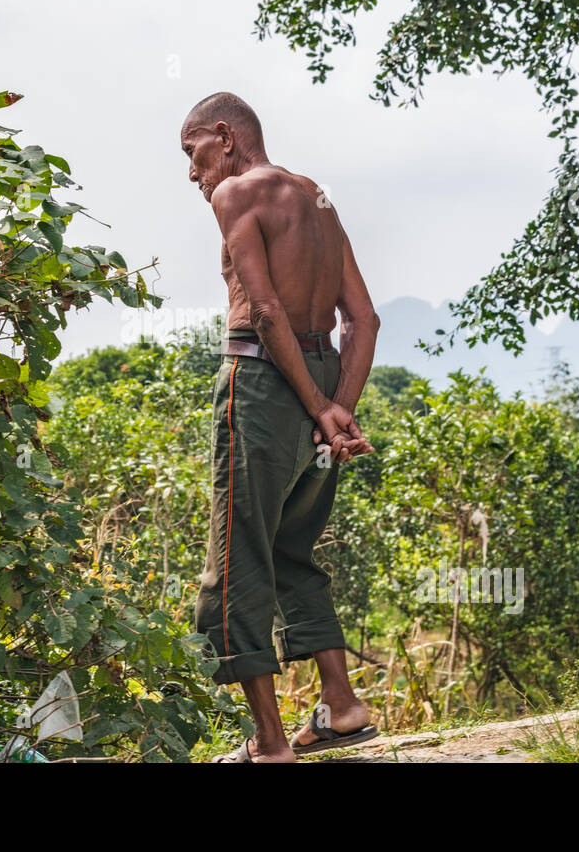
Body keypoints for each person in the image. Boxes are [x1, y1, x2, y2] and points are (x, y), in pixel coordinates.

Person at [179, 92, 382, 763]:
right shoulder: (315, 196)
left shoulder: (238, 192)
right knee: (293, 549)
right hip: (320, 374)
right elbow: (364, 319)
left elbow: (264, 310)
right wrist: (335, 408)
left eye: (193, 153)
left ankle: (269, 744)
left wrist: (321, 411)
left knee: (234, 565)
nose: (193, 174)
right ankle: (342, 707)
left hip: (263, 384)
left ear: (224, 136)